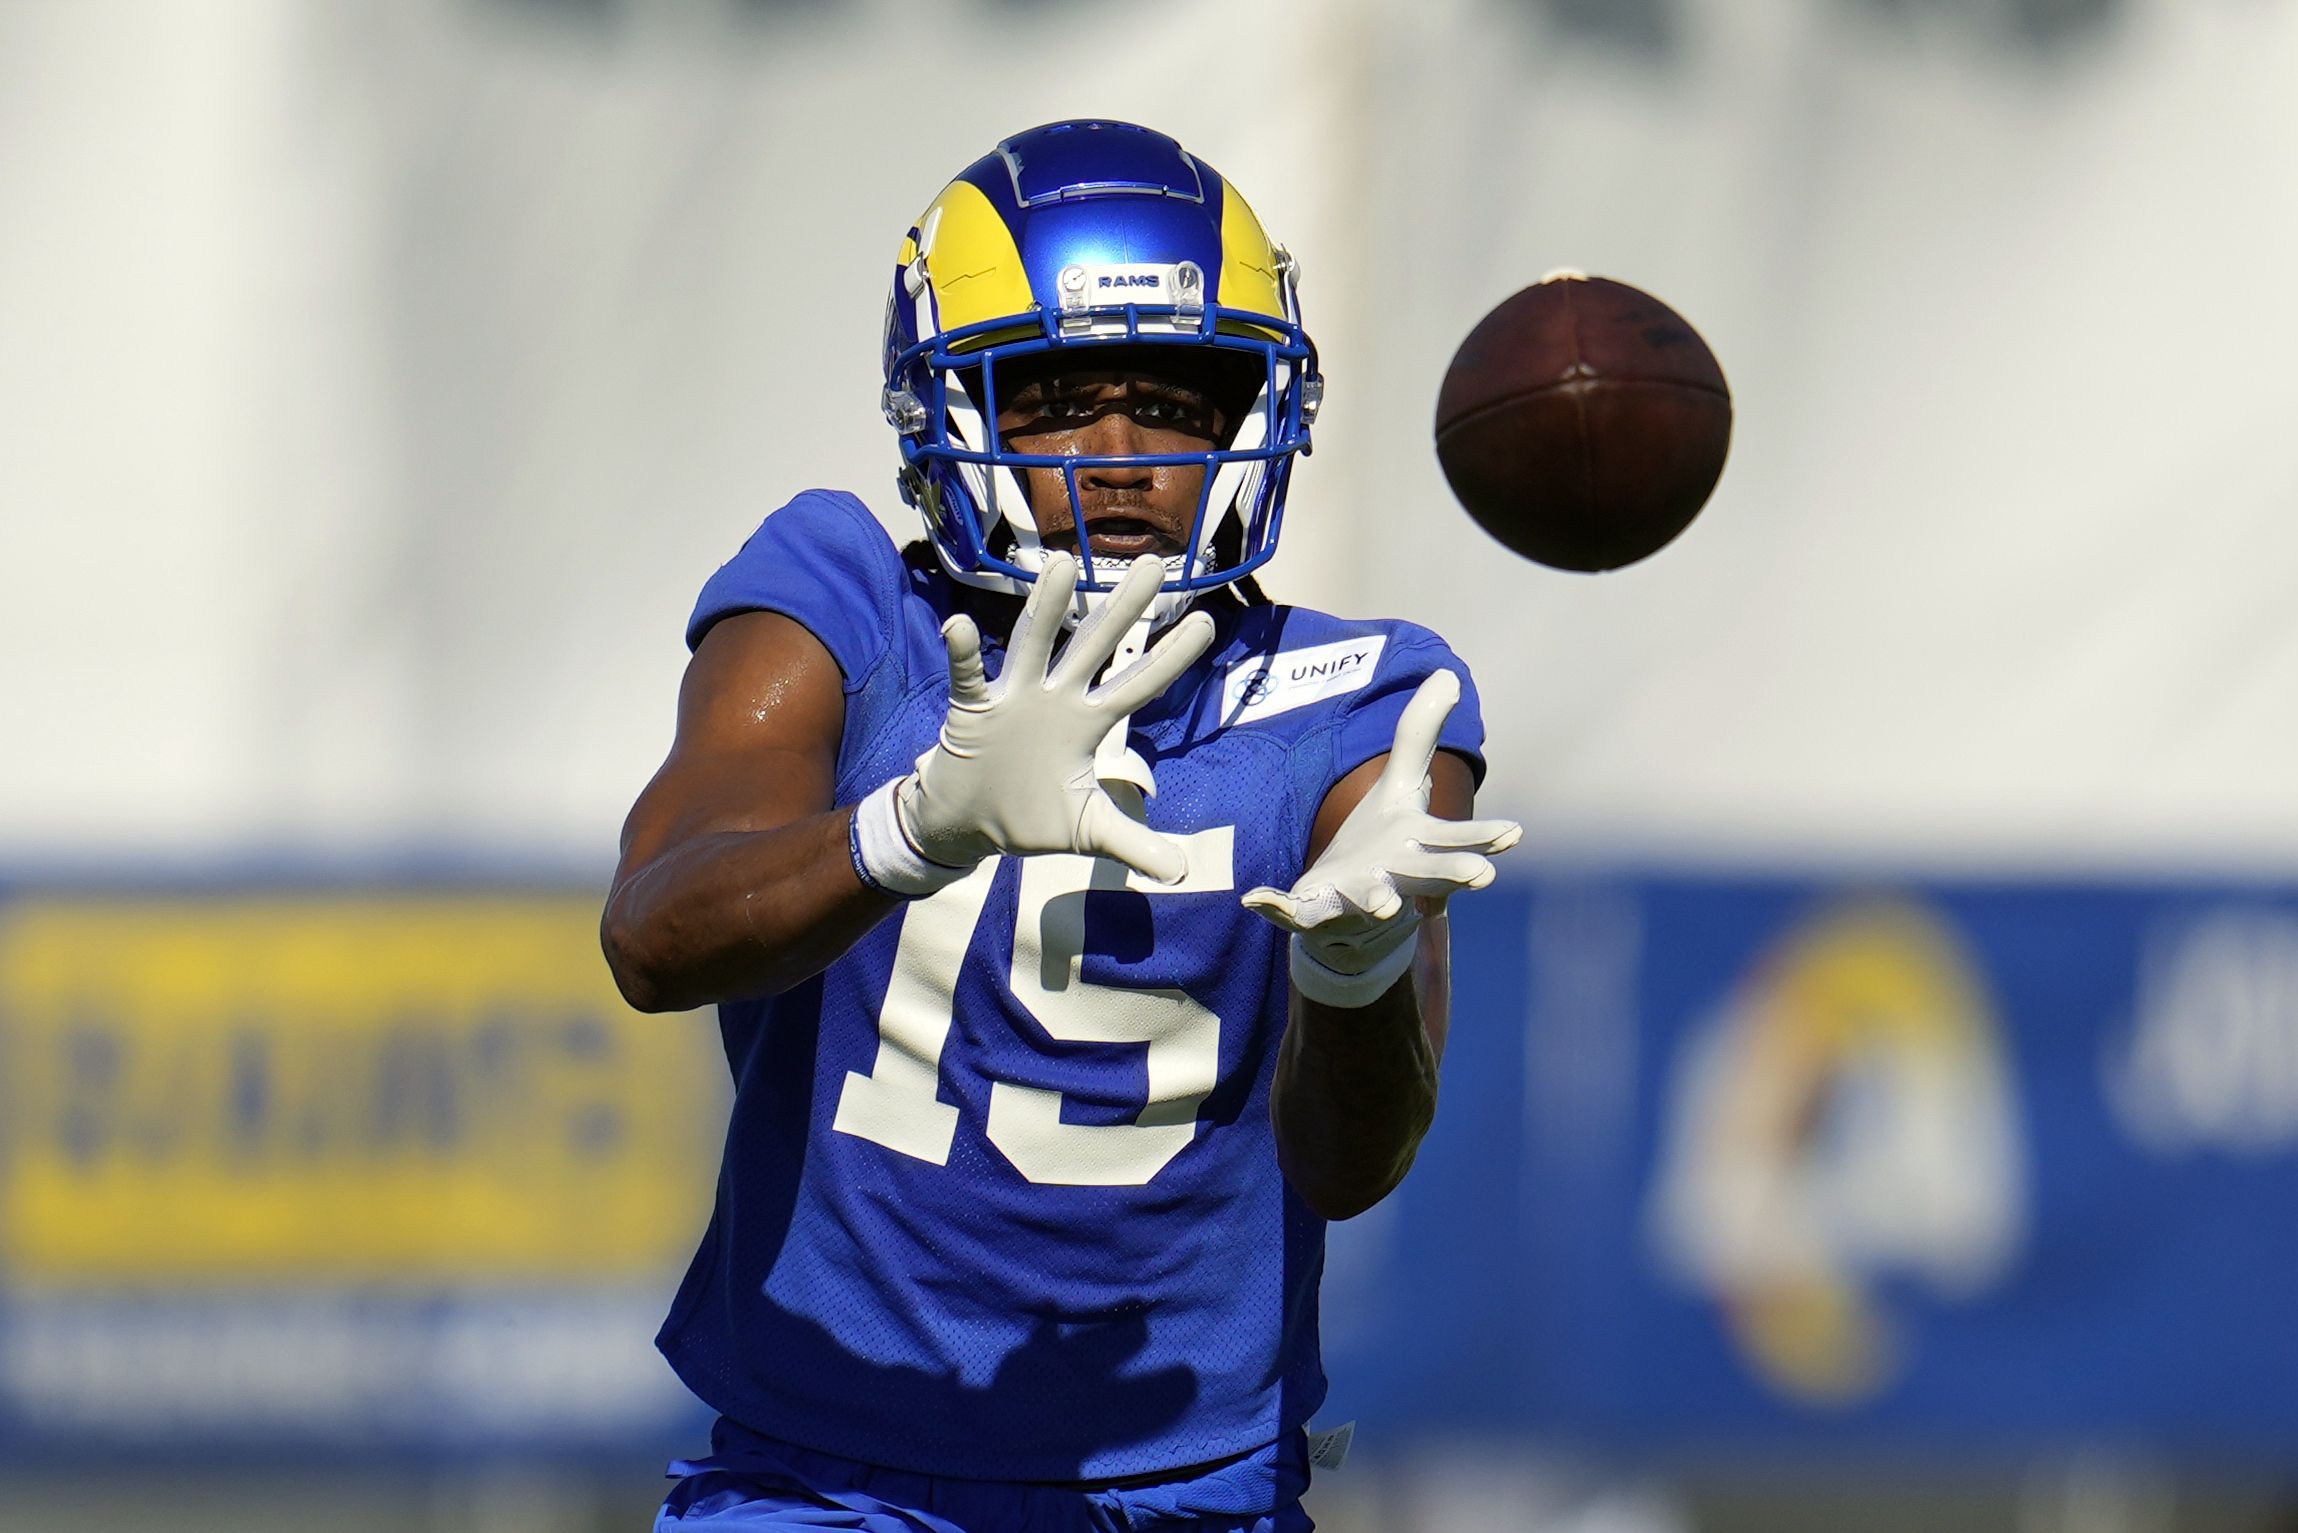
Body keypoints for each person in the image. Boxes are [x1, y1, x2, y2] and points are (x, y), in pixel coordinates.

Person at [602, 119, 1521, 1533]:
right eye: (1054, 399)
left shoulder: (1360, 703)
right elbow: (656, 935)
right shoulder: (847, 606)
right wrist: (908, 829)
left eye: (1172, 398)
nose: (1119, 456)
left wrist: (1356, 971)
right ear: (946, 409)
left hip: (1189, 1496)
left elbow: (1352, 1165)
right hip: (823, 1481)